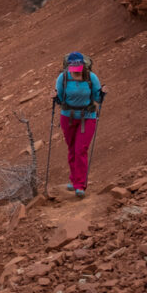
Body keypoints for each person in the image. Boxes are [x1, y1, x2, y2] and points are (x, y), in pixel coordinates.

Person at [53, 51, 102, 196]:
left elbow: (97, 97)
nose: (75, 71)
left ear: (82, 66)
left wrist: (103, 93)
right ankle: (74, 180)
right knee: (72, 148)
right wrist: (54, 97)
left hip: (87, 117)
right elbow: (61, 99)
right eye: (73, 68)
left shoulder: (91, 77)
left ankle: (80, 185)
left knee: (81, 149)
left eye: (78, 68)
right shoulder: (63, 78)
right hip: (68, 117)